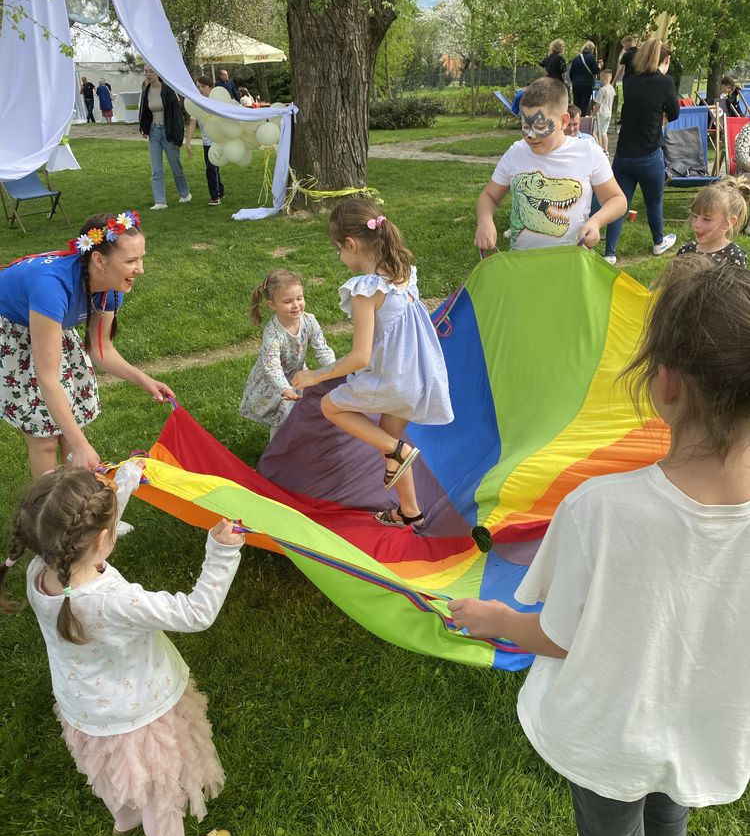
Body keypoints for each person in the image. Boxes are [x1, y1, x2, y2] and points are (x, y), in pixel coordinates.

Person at [449, 252, 750, 836]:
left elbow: (560, 634)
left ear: (664, 382)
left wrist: (496, 618)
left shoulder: (600, 509)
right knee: (673, 800)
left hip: (615, 732)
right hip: (706, 725)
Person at [0, 462, 244, 836]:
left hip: (87, 707)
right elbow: (195, 613)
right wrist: (221, 550)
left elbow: (88, 535)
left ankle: (124, 815)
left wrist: (124, 482)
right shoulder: (111, 600)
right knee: (159, 790)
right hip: (140, 711)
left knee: (115, 768)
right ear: (101, 539)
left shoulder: (42, 569)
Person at [291, 199, 453, 530]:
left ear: (351, 244)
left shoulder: (366, 290)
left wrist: (314, 375)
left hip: (392, 380)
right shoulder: (404, 272)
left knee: (331, 406)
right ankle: (410, 511)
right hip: (421, 376)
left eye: (339, 249)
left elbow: (360, 357)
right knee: (388, 444)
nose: (340, 256)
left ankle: (398, 450)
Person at [0, 212, 174, 477]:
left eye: (141, 258)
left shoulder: (112, 287)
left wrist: (144, 380)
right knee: (45, 438)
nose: (141, 269)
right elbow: (47, 378)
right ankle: (45, 510)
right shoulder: (51, 287)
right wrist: (83, 446)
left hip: (50, 324)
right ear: (99, 260)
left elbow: (100, 350)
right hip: (14, 333)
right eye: (131, 261)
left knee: (72, 429)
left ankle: (71, 503)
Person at [474, 78, 626, 252]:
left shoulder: (588, 152)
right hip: (523, 264)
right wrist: (485, 220)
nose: (530, 135)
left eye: (539, 125)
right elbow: (489, 196)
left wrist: (596, 222)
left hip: (571, 262)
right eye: (525, 125)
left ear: (563, 121)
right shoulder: (516, 153)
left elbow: (617, 199)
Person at [603, 39, 680, 265]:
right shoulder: (664, 82)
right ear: (664, 60)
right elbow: (674, 113)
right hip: (649, 154)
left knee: (619, 203)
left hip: (623, 155)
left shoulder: (630, 81)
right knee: (654, 202)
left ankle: (609, 253)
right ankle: (658, 242)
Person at [240, 269, 335, 438]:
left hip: (298, 375)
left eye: (299, 298)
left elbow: (322, 349)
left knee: (303, 413)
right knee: (281, 419)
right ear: (272, 305)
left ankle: (300, 444)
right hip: (275, 382)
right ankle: (276, 455)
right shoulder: (273, 333)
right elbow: (272, 366)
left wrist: (334, 370)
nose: (296, 305)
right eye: (288, 301)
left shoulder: (309, 320)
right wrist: (284, 388)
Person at [139, 66, 191, 210]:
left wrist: (178, 138)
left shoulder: (168, 91)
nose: (148, 74)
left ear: (158, 72)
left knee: (175, 166)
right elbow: (143, 111)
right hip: (154, 132)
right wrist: (143, 128)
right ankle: (160, 201)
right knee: (156, 168)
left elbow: (177, 116)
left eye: (151, 71)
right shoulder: (146, 91)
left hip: (169, 132)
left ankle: (185, 194)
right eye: (146, 71)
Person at [676, 176, 749, 267]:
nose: (696, 224)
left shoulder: (733, 257)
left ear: (728, 223)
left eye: (706, 219)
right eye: (695, 216)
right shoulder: (685, 251)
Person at [185, 76, 225, 206]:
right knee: (214, 168)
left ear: (210, 87)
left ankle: (215, 196)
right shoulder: (196, 104)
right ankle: (221, 192)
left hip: (217, 141)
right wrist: (188, 142)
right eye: (198, 87)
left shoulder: (216, 102)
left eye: (203, 86)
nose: (200, 89)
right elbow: (192, 124)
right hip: (206, 143)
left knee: (211, 169)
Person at [568, 41, 599, 115]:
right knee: (584, 104)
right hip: (586, 83)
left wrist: (574, 81)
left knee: (576, 103)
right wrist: (599, 67)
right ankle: (581, 121)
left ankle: (574, 119)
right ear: (592, 49)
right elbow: (595, 71)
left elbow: (571, 73)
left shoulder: (576, 58)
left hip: (576, 83)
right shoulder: (591, 58)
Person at [591, 69, 615, 153]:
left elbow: (598, 104)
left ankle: (599, 148)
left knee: (593, 132)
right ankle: (606, 150)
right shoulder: (612, 88)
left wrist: (592, 114)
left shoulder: (602, 90)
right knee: (604, 132)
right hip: (608, 113)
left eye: (601, 78)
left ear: (604, 78)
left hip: (601, 113)